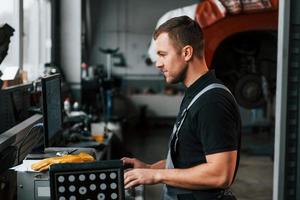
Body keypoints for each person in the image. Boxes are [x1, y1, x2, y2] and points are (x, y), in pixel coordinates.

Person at [122, 16, 241, 200]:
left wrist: (156, 176)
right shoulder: (195, 94)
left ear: (186, 53)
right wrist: (149, 168)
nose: (158, 64)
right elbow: (190, 160)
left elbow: (220, 174)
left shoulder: (212, 101)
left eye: (163, 55)